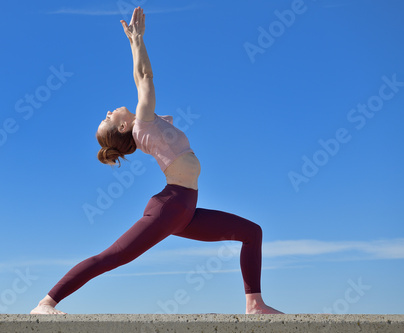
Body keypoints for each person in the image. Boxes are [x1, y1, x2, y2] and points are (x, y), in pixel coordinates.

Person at [31, 7, 282, 315]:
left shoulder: (142, 123)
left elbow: (139, 78)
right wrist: (137, 40)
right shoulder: (142, 125)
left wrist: (135, 42)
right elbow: (145, 78)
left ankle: (254, 304)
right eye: (107, 118)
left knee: (251, 232)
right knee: (113, 256)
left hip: (185, 211)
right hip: (171, 206)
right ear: (122, 127)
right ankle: (46, 303)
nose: (109, 111)